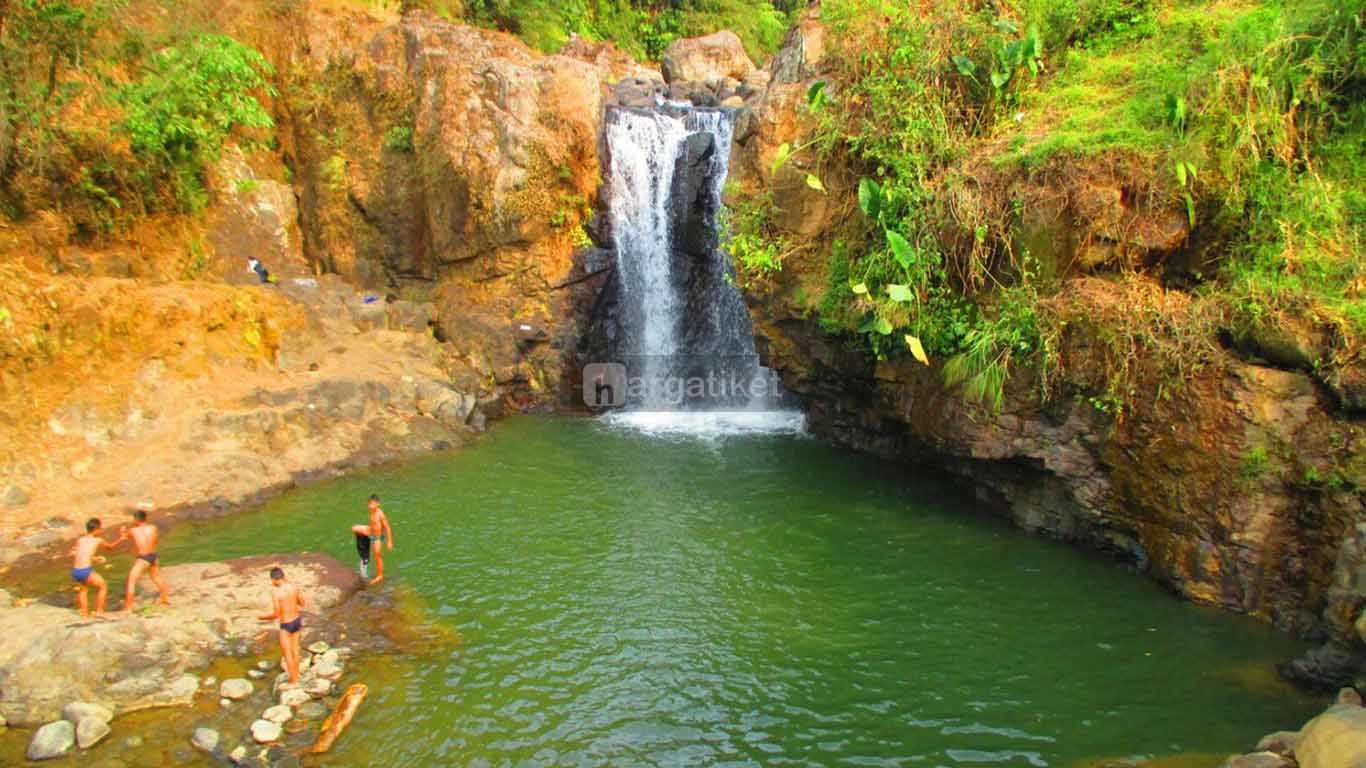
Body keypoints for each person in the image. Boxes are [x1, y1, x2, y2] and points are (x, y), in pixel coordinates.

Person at [116, 506, 170, 613]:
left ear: (136, 519)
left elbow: (124, 537)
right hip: (153, 556)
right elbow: (155, 541)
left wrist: (122, 531)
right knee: (156, 577)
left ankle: (128, 608)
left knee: (131, 581)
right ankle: (165, 599)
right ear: (145, 519)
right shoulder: (153, 528)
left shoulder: (133, 530)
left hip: (143, 558)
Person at [258, 566, 306, 684]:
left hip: (286, 624)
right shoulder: (294, 587)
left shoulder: (276, 593)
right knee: (295, 650)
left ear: (273, 579)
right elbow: (302, 603)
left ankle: (293, 680)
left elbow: (276, 614)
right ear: (283, 576)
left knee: (287, 654)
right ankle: (297, 674)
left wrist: (262, 617)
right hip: (297, 620)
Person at [70, 518, 116, 619]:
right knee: (103, 586)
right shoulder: (98, 540)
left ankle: (85, 615)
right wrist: (121, 539)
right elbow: (110, 548)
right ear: (96, 529)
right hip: (85, 570)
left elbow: (76, 553)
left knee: (83, 591)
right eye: (100, 528)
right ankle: (99, 611)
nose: (101, 530)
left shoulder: (80, 540)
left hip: (75, 571)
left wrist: (95, 558)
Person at [350, 494, 394, 585]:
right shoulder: (371, 511)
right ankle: (364, 556)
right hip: (370, 531)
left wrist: (389, 542)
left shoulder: (380, 514)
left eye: (372, 504)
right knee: (355, 528)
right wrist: (368, 531)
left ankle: (380, 575)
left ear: (378, 504)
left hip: (377, 538)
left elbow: (387, 527)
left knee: (377, 556)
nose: (370, 505)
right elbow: (373, 524)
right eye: (369, 503)